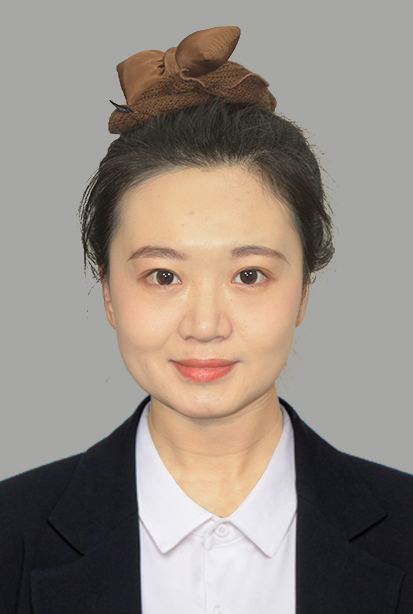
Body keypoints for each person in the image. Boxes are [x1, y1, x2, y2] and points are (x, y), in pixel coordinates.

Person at [0, 25, 412, 614]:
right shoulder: (11, 535)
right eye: (163, 276)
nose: (204, 325)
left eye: (249, 275)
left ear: (303, 289)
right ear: (109, 292)